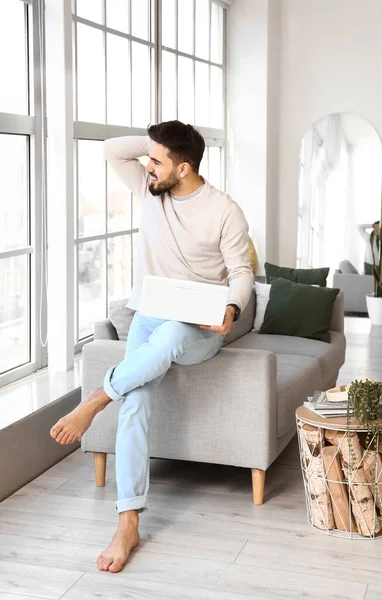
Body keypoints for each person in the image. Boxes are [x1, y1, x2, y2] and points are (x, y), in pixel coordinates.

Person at [49, 120, 253, 573]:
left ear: (183, 168)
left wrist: (232, 309)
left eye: (157, 161)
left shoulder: (224, 210)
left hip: (197, 326)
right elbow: (110, 149)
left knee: (174, 336)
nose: (147, 166)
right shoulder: (150, 189)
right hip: (149, 313)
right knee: (136, 400)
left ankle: (97, 398)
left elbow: (241, 272)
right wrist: (157, 143)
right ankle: (127, 523)